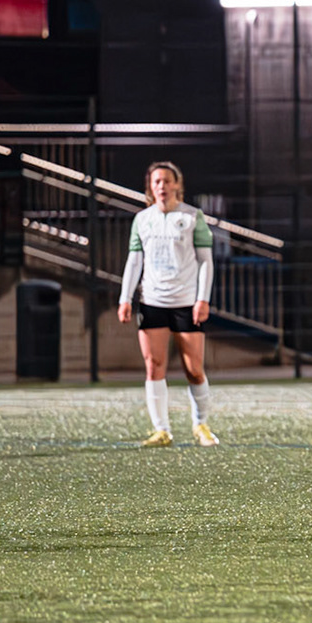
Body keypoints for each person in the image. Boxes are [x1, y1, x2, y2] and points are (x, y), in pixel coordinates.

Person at [118, 161, 217, 447]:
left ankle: (201, 425)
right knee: (154, 366)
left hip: (186, 303)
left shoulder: (192, 217)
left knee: (194, 369)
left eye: (166, 181)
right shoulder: (142, 219)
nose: (161, 186)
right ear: (150, 186)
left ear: (177, 184)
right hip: (152, 301)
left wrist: (202, 298)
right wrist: (125, 298)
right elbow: (134, 260)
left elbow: (206, 262)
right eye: (156, 181)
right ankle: (162, 430)